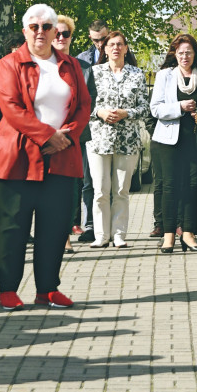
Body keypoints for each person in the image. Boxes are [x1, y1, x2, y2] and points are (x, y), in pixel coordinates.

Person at [0, 3, 90, 310]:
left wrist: (67, 136)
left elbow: (84, 105)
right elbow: (11, 107)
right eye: (35, 27)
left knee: (55, 227)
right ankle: (8, 289)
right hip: (18, 158)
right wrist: (49, 135)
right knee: (12, 228)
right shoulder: (10, 63)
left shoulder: (71, 65)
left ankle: (47, 288)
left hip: (61, 158)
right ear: (25, 31)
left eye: (48, 27)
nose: (42, 32)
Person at [150, 34, 197, 253]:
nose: (184, 56)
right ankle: (169, 235)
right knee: (169, 186)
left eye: (188, 52)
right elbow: (156, 108)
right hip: (168, 140)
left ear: (195, 54)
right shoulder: (164, 76)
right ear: (174, 54)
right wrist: (179, 107)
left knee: (192, 186)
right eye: (180, 53)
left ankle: (189, 233)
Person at [88, 30, 148, 249]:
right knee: (100, 190)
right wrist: (100, 113)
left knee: (121, 190)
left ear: (126, 48)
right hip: (99, 138)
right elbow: (84, 105)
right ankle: (101, 235)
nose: (116, 48)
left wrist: (126, 113)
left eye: (120, 44)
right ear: (104, 49)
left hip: (127, 139)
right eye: (111, 44)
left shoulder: (136, 74)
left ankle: (119, 234)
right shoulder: (94, 73)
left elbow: (144, 107)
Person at [54, 15, 97, 253]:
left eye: (65, 34)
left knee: (72, 187)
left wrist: (71, 131)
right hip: (46, 137)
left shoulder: (83, 68)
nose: (61, 38)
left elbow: (89, 102)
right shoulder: (41, 65)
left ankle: (68, 234)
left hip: (74, 137)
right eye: (57, 33)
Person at [75, 19, 109, 243]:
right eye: (95, 40)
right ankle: (89, 225)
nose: (100, 44)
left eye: (103, 39)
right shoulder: (81, 60)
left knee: (108, 182)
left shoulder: (118, 52)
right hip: (88, 125)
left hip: (111, 125)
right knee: (88, 179)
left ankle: (109, 225)